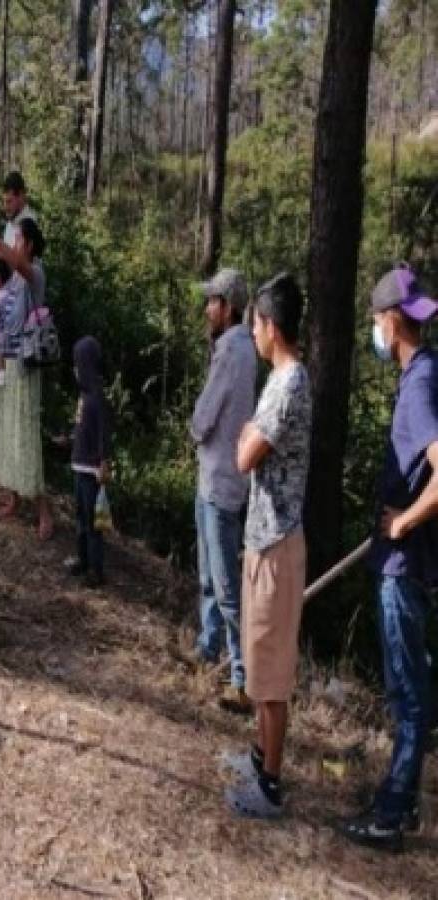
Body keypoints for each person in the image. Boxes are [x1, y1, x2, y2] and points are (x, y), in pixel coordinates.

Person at [339, 265, 437, 852]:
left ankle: (393, 812)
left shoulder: (421, 383)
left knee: (406, 692)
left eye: (376, 320)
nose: (374, 330)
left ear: (391, 321)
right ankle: (400, 804)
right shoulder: (422, 375)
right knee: (410, 687)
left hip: (404, 568)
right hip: (406, 565)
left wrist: (401, 521)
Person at [221, 273, 311, 820]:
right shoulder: (278, 379)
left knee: (271, 673)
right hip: (262, 539)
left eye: (255, 322)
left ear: (271, 327)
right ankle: (259, 758)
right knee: (257, 662)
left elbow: (245, 453)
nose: (252, 331)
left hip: (277, 543)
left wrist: (246, 437)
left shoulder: (291, 382)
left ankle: (271, 785)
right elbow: (248, 443)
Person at [190, 269, 257, 716]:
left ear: (228, 307)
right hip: (219, 477)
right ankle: (208, 645)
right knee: (210, 577)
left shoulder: (232, 350)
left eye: (213, 301)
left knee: (225, 583)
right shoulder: (244, 348)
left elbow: (207, 412)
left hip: (220, 480)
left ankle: (242, 674)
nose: (207, 309)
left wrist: (194, 427)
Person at [0, 218, 54, 541]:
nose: (14, 246)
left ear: (27, 244)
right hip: (11, 365)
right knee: (9, 431)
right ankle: (13, 497)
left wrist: (0, 246)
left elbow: (20, 266)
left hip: (27, 366)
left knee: (26, 435)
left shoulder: (34, 273)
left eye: (18, 241)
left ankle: (44, 511)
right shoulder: (13, 279)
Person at [69, 336, 111, 587]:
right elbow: (80, 427)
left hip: (92, 470)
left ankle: (96, 570)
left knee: (94, 522)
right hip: (79, 465)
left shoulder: (97, 398)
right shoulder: (84, 396)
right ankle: (82, 561)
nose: (75, 369)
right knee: (81, 519)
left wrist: (103, 462)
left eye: (78, 363)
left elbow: (103, 434)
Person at [1, 171, 36, 248]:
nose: (5, 207)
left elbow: (19, 259)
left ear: (20, 196)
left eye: (9, 201)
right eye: (3, 202)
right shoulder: (12, 219)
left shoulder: (29, 224)